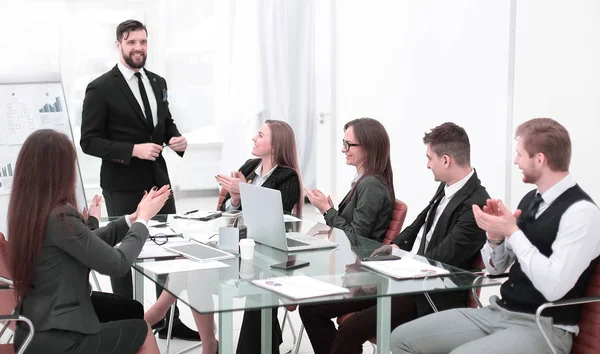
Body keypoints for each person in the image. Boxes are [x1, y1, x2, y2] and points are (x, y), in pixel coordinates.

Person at [391, 118, 600, 354]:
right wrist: (494, 237)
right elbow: (496, 267)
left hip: (543, 327)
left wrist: (513, 231)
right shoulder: (531, 201)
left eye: (520, 154)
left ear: (539, 159)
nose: (515, 161)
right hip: (499, 312)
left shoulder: (582, 214)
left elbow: (554, 288)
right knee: (401, 338)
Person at [299, 122, 489, 354]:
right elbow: (418, 222)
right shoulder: (447, 187)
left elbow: (443, 259)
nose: (427, 164)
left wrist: (403, 262)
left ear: (446, 160)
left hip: (428, 294)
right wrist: (396, 245)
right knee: (311, 308)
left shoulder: (475, 202)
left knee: (351, 329)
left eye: (430, 158)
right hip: (405, 283)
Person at [80, 19, 197, 340]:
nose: (139, 48)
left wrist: (178, 140)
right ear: (118, 45)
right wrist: (132, 149)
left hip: (159, 182)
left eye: (143, 42)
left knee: (171, 250)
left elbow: (165, 123)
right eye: (132, 42)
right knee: (121, 256)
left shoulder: (158, 81)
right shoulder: (100, 87)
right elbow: (88, 141)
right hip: (121, 185)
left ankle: (167, 320)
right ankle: (127, 325)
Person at [144, 119, 302, 354]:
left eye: (260, 135)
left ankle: (160, 313)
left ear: (275, 144)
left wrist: (243, 192)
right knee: (189, 265)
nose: (254, 139)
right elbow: (226, 212)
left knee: (189, 267)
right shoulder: (250, 166)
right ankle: (207, 343)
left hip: (259, 257)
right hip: (232, 245)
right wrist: (236, 198)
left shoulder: (287, 177)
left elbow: (275, 218)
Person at [8, 129, 170, 354]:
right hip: (60, 336)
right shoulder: (59, 215)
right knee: (142, 331)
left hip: (34, 326)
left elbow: (85, 242)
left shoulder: (28, 212)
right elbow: (118, 263)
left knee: (129, 310)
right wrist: (143, 220)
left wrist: (130, 219)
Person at [305, 117, 394, 242]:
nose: (343, 149)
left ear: (368, 148)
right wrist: (327, 210)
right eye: (343, 143)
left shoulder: (371, 184)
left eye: (349, 145)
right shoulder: (365, 180)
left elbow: (355, 237)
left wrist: (327, 210)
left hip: (359, 258)